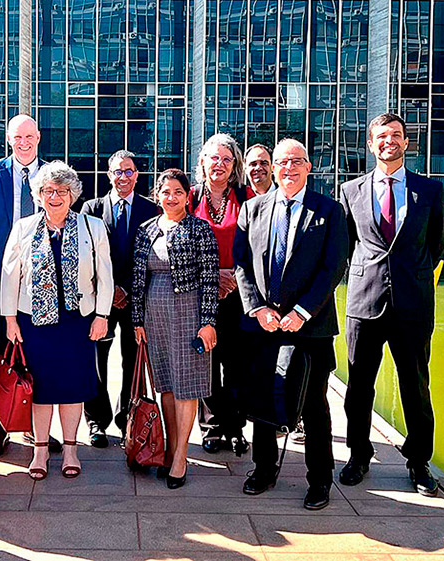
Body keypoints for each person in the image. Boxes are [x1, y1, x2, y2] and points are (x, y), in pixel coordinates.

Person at [232, 138, 348, 510]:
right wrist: (258, 310)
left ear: (308, 166)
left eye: (296, 161)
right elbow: (242, 265)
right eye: (282, 162)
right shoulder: (252, 208)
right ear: (273, 167)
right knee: (263, 398)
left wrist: (301, 311)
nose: (289, 168)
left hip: (310, 328)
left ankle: (320, 481)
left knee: (313, 405)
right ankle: (263, 469)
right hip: (263, 325)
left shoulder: (329, 211)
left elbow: (334, 267)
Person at [339, 113, 444, 497]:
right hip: (364, 302)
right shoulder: (350, 190)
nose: (390, 141)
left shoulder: (431, 191)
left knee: (416, 387)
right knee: (359, 386)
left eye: (397, 135)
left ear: (406, 142)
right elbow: (347, 245)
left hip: (413, 306)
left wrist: (411, 277)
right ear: (370, 144)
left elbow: (436, 246)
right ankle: (358, 454)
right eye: (382, 136)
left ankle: (419, 462)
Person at [1, 161, 113, 480]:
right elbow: (11, 276)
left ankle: (70, 449)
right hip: (34, 322)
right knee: (41, 389)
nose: (54, 197)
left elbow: (105, 276)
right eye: (48, 190)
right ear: (38, 194)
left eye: (61, 191)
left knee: (72, 388)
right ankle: (39, 451)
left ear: (72, 195)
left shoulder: (92, 227)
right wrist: (10, 319)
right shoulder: (23, 228)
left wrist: (102, 315)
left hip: (77, 321)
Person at [0, 114, 59, 458]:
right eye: (17, 137)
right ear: (9, 140)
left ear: (38, 137)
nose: (23, 143)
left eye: (29, 136)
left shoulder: (53, 174)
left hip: (42, 280)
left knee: (38, 354)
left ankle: (36, 430)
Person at [131, 168, 219, 490]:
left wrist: (208, 323)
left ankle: (180, 454)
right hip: (155, 314)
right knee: (166, 383)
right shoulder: (146, 229)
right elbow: (138, 277)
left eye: (178, 192)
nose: (171, 197)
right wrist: (137, 321)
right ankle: (168, 447)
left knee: (187, 384)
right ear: (157, 195)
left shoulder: (200, 229)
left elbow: (210, 281)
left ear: (187, 195)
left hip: (189, 311)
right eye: (165, 192)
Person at [80, 150, 158, 447]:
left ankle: (129, 418)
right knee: (95, 360)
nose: (123, 177)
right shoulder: (92, 208)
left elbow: (152, 255)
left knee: (133, 360)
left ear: (137, 175)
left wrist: (125, 288)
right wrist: (110, 290)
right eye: (117, 171)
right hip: (101, 300)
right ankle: (97, 421)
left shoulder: (150, 209)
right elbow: (86, 254)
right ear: (108, 174)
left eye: (129, 171)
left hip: (137, 299)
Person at [190, 133, 250, 456]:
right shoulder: (190, 198)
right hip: (201, 295)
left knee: (237, 365)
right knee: (206, 362)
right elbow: (180, 245)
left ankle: (237, 426)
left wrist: (235, 277)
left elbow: (258, 247)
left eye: (227, 159)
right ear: (202, 161)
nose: (220, 164)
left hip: (239, 295)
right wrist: (214, 276)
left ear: (234, 165)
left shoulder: (247, 197)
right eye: (214, 158)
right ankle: (213, 426)